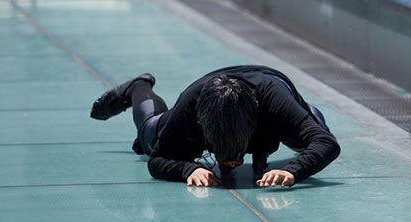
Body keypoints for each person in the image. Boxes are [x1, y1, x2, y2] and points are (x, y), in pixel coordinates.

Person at [89, 65, 340, 188]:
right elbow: (157, 160)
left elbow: (327, 143)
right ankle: (138, 86)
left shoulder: (273, 102)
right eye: (220, 149)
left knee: (308, 133)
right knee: (149, 134)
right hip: (207, 97)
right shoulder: (191, 104)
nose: (227, 161)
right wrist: (187, 168)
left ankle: (307, 114)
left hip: (271, 96)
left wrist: (294, 171)